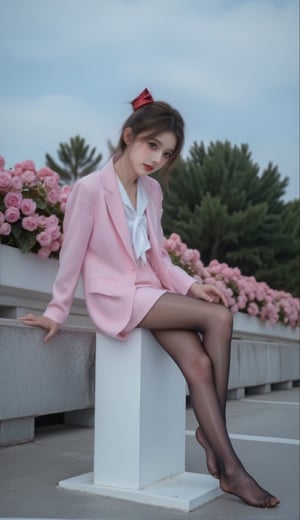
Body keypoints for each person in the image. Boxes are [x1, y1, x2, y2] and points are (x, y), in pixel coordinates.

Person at [19, 88, 280, 509]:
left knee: (197, 362)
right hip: (117, 296)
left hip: (151, 291)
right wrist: (56, 311)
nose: (156, 158)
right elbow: (71, 256)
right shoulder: (90, 189)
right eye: (151, 145)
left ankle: (217, 445)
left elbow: (158, 256)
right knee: (219, 318)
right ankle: (229, 462)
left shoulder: (152, 192)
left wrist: (191, 285)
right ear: (128, 136)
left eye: (167, 153)